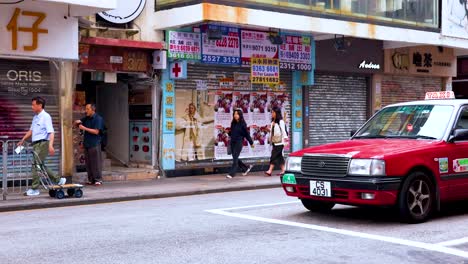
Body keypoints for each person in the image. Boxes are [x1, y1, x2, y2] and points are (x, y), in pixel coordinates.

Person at [18, 97, 66, 196]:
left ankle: (35, 189)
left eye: (33, 105)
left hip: (43, 143)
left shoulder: (46, 116)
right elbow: (31, 131)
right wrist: (23, 139)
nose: (32, 107)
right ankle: (58, 179)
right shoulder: (35, 117)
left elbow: (51, 132)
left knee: (36, 166)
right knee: (40, 166)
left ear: (40, 105)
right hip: (36, 144)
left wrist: (51, 145)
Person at [75, 104, 104, 186]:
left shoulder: (98, 119)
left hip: (94, 143)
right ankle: (91, 179)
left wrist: (84, 128)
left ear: (93, 110)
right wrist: (77, 122)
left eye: (87, 109)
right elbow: (79, 123)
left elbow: (96, 131)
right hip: (87, 143)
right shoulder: (86, 118)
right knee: (88, 163)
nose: (86, 110)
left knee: (96, 162)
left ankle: (98, 179)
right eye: (85, 109)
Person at [227, 109, 254, 179]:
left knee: (235, 158)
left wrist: (251, 142)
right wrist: (227, 132)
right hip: (232, 142)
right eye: (234, 114)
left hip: (239, 143)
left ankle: (231, 174)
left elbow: (246, 134)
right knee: (235, 158)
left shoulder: (243, 124)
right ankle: (245, 168)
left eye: (237, 114)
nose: (235, 115)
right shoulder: (233, 123)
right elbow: (232, 133)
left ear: (240, 115)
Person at [265, 107, 288, 176]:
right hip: (275, 142)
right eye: (272, 112)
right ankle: (284, 170)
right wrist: (269, 131)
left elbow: (284, 131)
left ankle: (270, 170)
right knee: (279, 157)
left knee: (273, 156)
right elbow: (273, 132)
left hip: (280, 143)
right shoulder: (273, 122)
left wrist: (285, 140)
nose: (272, 114)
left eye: (273, 112)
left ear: (277, 113)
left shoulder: (281, 122)